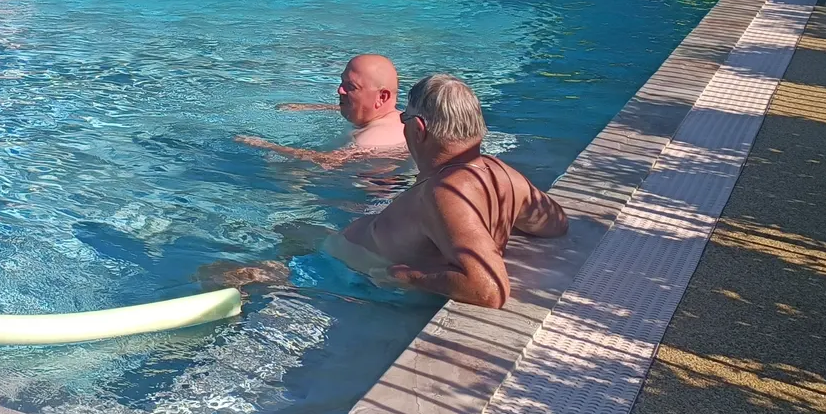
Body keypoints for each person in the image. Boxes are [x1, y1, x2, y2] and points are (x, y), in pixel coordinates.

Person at [206, 74, 567, 309]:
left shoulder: (445, 193)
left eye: (405, 119)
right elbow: (555, 224)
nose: (403, 126)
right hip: (358, 249)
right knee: (292, 229)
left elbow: (488, 289)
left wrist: (406, 276)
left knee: (216, 273)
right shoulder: (498, 172)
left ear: (420, 129)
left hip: (350, 271)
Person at [235, 54, 407, 168]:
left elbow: (328, 162)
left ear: (382, 97)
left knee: (285, 171)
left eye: (350, 87)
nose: (339, 90)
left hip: (372, 202)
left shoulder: (372, 139)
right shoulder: (397, 118)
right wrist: (312, 108)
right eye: (342, 82)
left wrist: (264, 145)